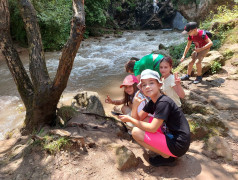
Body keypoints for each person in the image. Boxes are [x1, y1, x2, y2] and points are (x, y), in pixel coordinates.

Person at [119, 69, 190, 167]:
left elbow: (152, 128)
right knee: (145, 120)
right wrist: (135, 106)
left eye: (151, 83)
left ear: (159, 85)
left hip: (178, 145)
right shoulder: (153, 101)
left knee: (135, 132)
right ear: (141, 88)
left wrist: (130, 119)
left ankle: (167, 156)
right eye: (144, 84)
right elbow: (139, 119)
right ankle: (166, 151)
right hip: (173, 136)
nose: (147, 87)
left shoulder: (163, 102)